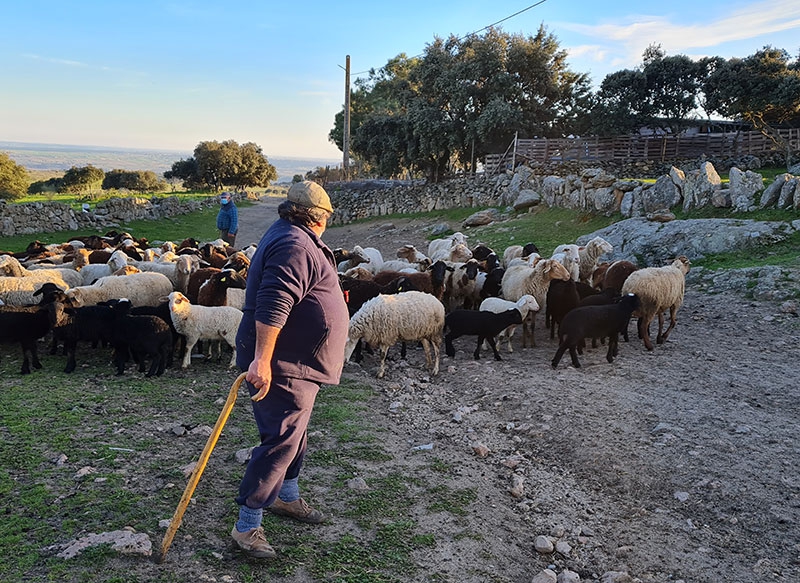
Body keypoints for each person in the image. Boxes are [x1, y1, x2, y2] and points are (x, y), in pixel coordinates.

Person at [230, 181, 349, 559]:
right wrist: (262, 360)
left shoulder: (289, 236)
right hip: (283, 361)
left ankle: (287, 497)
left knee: (295, 434)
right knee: (281, 438)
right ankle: (247, 526)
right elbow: (274, 303)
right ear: (321, 217)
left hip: (297, 359)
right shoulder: (295, 244)